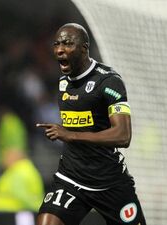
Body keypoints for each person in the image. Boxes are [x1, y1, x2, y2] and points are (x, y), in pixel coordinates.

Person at [36, 23, 146, 225]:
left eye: (68, 43)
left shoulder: (109, 82)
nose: (60, 49)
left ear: (84, 48)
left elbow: (123, 136)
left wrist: (70, 135)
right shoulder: (63, 82)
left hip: (109, 182)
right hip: (70, 177)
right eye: (57, 44)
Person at [0, 107, 44, 212]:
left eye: (6, 155)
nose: (3, 160)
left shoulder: (21, 171)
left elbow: (23, 196)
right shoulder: (16, 171)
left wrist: (41, 210)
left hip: (14, 216)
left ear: (14, 154)